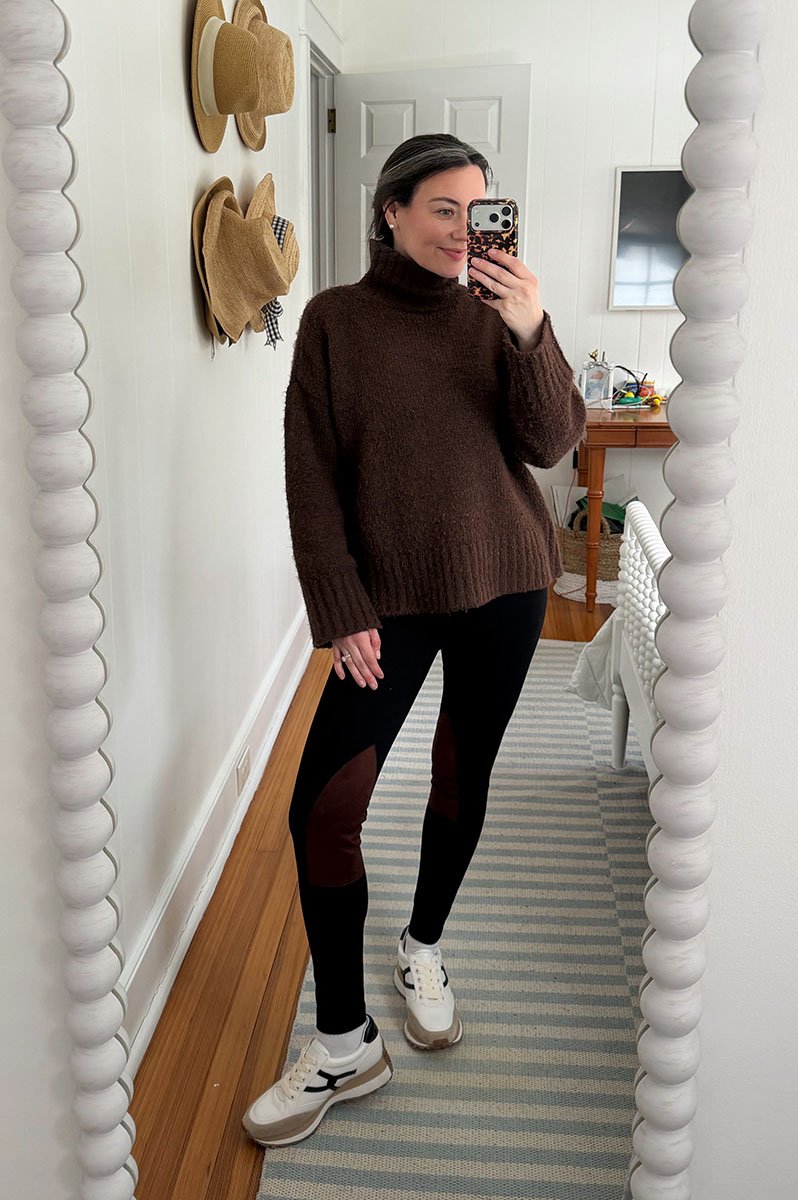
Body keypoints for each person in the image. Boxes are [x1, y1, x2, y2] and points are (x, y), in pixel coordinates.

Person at [242, 133, 587, 1147]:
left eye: (479, 212)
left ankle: (423, 944)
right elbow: (311, 477)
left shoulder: (499, 315)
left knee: (460, 776)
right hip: (385, 601)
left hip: (507, 583)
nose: (463, 230)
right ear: (390, 210)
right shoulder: (333, 322)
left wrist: (531, 331)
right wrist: (339, 603)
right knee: (323, 808)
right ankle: (343, 1044)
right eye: (444, 208)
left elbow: (551, 442)